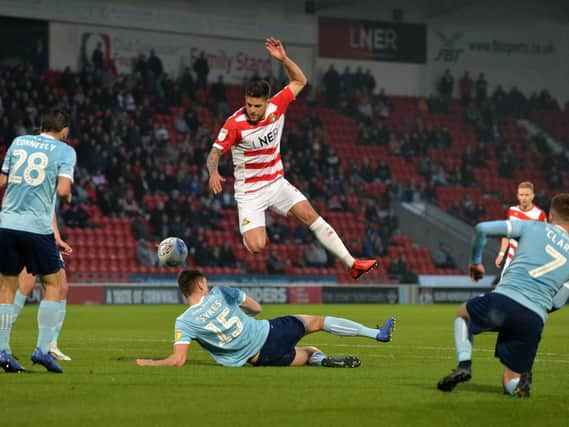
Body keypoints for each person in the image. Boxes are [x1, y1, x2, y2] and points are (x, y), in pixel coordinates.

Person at [206, 37, 378, 280]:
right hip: (250, 191)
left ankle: (353, 263)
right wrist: (213, 171)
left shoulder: (278, 106)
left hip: (276, 182)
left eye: (257, 105)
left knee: (311, 215)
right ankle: (250, 232)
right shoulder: (235, 124)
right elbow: (214, 153)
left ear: (267, 102)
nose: (252, 110)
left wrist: (284, 59)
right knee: (257, 246)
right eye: (249, 105)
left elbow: (300, 81)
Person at [436, 193, 569, 397]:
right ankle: (518, 387)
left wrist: (475, 261)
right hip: (534, 317)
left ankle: (464, 365)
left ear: (551, 215)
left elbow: (482, 229)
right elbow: (559, 300)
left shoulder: (532, 226)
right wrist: (534, 307)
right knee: (510, 376)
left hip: (504, 300)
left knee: (463, 314)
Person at [136, 270, 395, 368]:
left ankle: (323, 361)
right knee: (316, 322)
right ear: (202, 285)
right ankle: (376, 334)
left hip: (260, 359)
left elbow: (178, 360)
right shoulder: (221, 293)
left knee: (308, 353)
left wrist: (149, 363)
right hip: (270, 333)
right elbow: (257, 308)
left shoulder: (183, 322)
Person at [0, 109, 76, 373]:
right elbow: (64, 191)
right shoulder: (66, 152)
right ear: (64, 132)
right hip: (36, 228)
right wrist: (67, 198)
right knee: (54, 284)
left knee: (7, 288)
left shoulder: (18, 142)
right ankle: (43, 350)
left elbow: (2, 180)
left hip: (7, 223)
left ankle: (3, 350)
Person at [12, 214, 73, 361]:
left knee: (62, 287)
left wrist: (56, 237)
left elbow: (50, 209)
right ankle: (2, 345)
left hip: (45, 233)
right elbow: (63, 194)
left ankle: (51, 344)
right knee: (24, 285)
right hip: (29, 231)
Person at [495, 181, 546, 278]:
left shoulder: (540, 214)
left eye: (527, 195)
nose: (524, 198)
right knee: (503, 287)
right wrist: (501, 254)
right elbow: (507, 234)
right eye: (521, 195)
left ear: (532, 196)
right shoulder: (512, 211)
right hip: (511, 258)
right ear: (518, 196)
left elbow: (543, 239)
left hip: (529, 260)